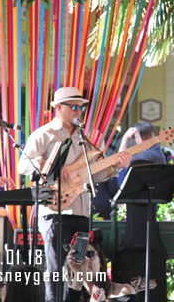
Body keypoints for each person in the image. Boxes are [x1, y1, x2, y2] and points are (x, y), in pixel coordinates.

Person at [17, 86, 132, 301]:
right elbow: (23, 165)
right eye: (74, 107)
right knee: (56, 269)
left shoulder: (84, 139)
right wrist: (51, 166)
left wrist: (116, 167)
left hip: (81, 212)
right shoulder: (44, 134)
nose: (79, 112)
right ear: (58, 107)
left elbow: (95, 175)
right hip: (54, 210)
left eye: (81, 108)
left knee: (80, 271)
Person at [112, 122, 168, 302]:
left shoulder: (149, 155)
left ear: (141, 139)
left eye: (135, 140)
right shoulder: (156, 153)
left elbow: (119, 166)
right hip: (141, 216)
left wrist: (126, 138)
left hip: (140, 215)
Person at [65, 231, 138, 302]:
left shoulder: (123, 292)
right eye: (79, 256)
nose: (85, 260)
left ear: (101, 261)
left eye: (89, 254)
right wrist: (79, 276)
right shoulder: (73, 294)